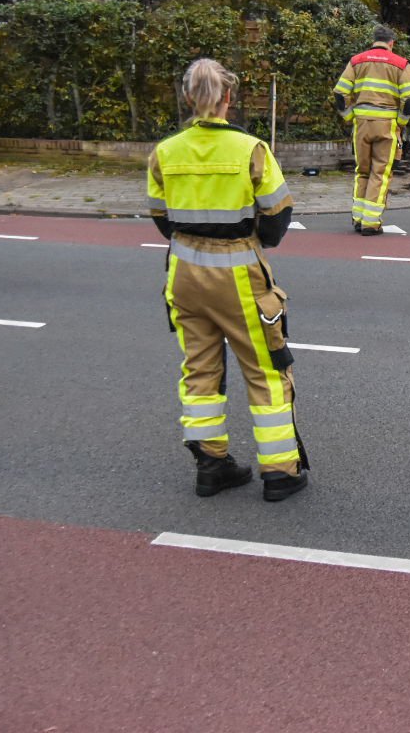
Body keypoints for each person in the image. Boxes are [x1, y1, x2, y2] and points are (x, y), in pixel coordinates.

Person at [147, 58, 307, 502]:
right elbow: (277, 213)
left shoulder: (165, 152)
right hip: (238, 272)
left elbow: (161, 216)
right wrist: (253, 242)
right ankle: (280, 471)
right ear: (228, 99)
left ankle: (211, 465)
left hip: (182, 272)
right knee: (266, 369)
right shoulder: (251, 148)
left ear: (187, 98)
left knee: (199, 369)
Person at [332, 25, 410, 235]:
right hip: (387, 125)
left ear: (373, 40)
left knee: (362, 171)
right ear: (392, 43)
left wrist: (350, 117)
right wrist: (400, 122)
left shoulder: (356, 61)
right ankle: (371, 222)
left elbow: (340, 94)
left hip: (361, 124)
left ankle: (358, 218)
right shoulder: (401, 64)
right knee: (380, 172)